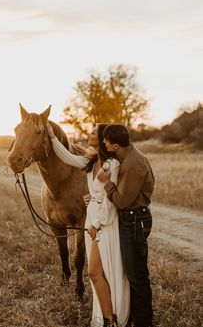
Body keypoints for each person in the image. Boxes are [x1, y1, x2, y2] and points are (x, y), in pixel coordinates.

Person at [46, 123, 130, 327]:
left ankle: (113, 318)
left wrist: (96, 224)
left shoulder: (112, 165)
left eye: (93, 132)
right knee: (96, 273)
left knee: (101, 272)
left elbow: (112, 202)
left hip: (104, 225)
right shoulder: (91, 161)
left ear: (103, 139)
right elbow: (66, 156)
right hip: (94, 221)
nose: (88, 134)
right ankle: (106, 318)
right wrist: (52, 137)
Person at [97, 124, 155, 327]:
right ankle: (135, 317)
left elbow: (122, 201)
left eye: (105, 140)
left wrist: (107, 183)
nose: (103, 142)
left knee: (137, 276)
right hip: (133, 219)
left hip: (134, 220)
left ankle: (144, 322)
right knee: (133, 274)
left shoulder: (132, 164)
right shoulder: (128, 157)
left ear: (115, 145)